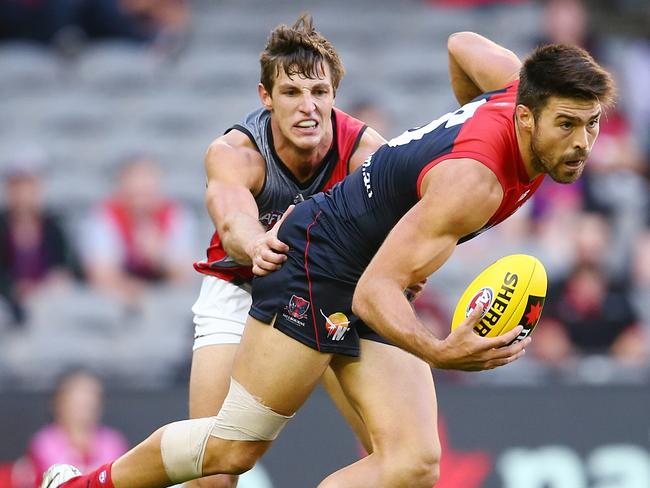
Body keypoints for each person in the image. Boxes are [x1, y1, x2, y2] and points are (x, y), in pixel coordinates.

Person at [41, 31, 615, 488]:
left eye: (591, 125)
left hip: (374, 270)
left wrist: (476, 117)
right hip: (322, 265)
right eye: (566, 124)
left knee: (413, 463)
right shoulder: (477, 183)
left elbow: (462, 42)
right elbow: (371, 293)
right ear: (526, 118)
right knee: (231, 451)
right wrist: (441, 352)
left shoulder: (518, 92)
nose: (581, 143)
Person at [189, 13, 386, 488]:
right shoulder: (236, 152)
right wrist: (255, 242)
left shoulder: (368, 154)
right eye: (291, 93)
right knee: (211, 470)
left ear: (334, 96)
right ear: (265, 97)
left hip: (335, 298)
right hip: (241, 290)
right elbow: (232, 216)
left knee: (398, 456)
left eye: (319, 93)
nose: (308, 108)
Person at [79, 154, 197, 307]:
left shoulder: (177, 215)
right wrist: (134, 290)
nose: (141, 191)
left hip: (165, 299)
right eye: (135, 185)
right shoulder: (103, 216)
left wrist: (159, 256)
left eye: (147, 185)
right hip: (116, 300)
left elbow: (186, 275)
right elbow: (100, 275)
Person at [0, 149, 77, 325]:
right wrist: (15, 289)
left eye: (31, 186)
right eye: (19, 187)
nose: (25, 195)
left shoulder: (54, 227)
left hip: (48, 302)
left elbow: (64, 268)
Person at [27, 369, 129, 487]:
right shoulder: (44, 443)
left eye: (90, 401)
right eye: (78, 401)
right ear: (60, 403)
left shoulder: (113, 442)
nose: (85, 408)